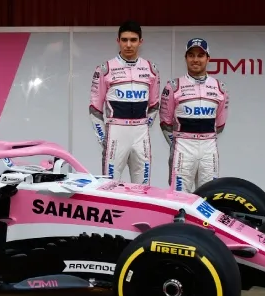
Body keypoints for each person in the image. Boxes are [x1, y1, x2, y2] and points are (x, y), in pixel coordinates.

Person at [89, 21, 161, 184]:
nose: (129, 45)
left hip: (140, 133)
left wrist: (144, 126)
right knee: (110, 186)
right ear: (118, 41)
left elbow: (154, 105)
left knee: (143, 187)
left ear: (140, 42)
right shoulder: (105, 69)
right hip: (116, 132)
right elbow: (95, 109)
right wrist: (103, 138)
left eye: (133, 40)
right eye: (124, 40)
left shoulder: (151, 69)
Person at [159, 37, 229, 193]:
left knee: (210, 195)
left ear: (208, 58)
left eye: (200, 55)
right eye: (191, 55)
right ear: (185, 58)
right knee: (179, 196)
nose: (195, 60)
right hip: (183, 147)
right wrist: (176, 143)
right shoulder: (173, 86)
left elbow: (220, 124)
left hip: (209, 148)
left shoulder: (220, 88)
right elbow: (165, 122)